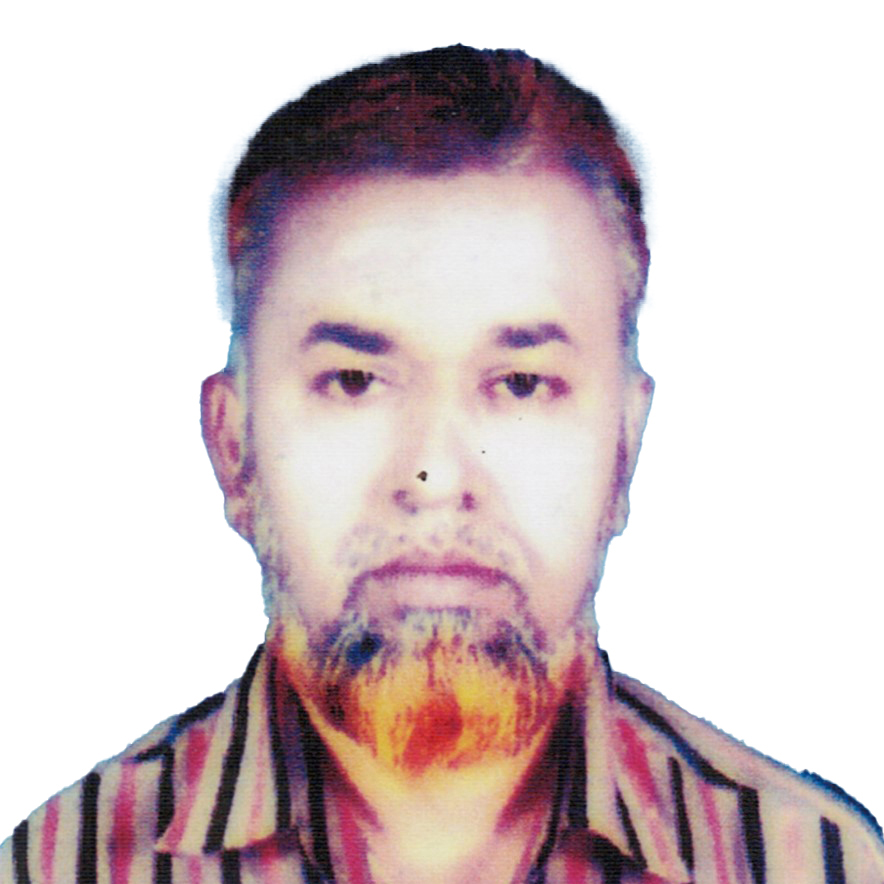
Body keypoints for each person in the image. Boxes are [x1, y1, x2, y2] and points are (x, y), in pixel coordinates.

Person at [2, 45, 882, 884]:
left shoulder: (811, 865)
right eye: (354, 381)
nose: (433, 477)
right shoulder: (56, 868)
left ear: (624, 448)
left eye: (522, 384)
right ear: (233, 449)